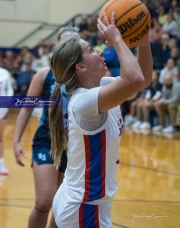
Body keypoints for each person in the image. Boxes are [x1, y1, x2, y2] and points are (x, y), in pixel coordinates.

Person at [49, 12, 152, 227]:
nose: (99, 51)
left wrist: (143, 40)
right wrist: (117, 40)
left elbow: (143, 78)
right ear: (81, 67)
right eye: (90, 50)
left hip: (82, 202)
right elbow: (134, 79)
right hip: (84, 207)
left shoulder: (102, 87)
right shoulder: (83, 101)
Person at [13, 27, 79, 228]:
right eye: (66, 42)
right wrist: (16, 141)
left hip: (75, 146)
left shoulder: (85, 76)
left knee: (62, 205)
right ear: (58, 48)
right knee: (44, 202)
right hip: (47, 140)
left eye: (75, 42)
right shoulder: (44, 74)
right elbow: (25, 109)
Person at [0, 67, 13, 174]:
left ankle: (1, 164)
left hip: (2, 109)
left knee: (0, 138)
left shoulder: (4, 73)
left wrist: (8, 101)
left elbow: (9, 89)